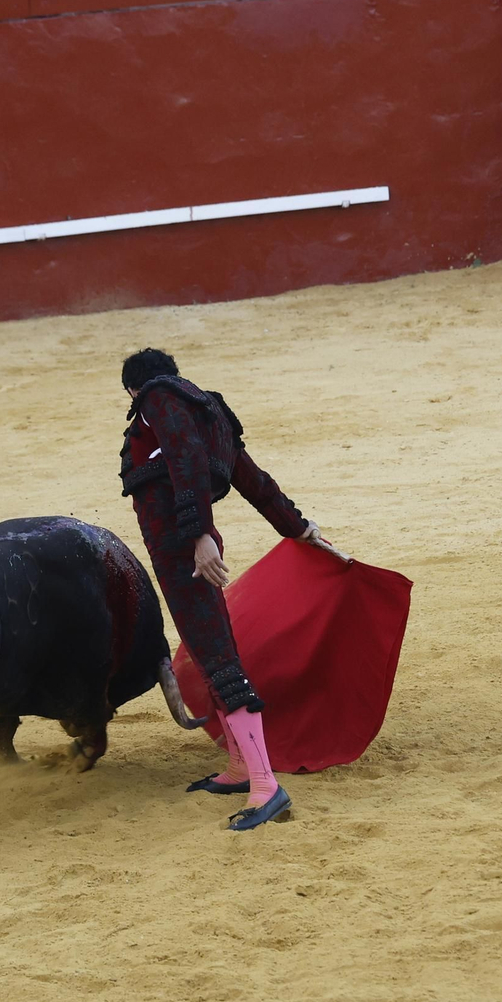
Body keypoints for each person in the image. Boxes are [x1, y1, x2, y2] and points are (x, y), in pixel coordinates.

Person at [118, 348, 326, 831]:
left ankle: (264, 784)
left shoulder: (158, 400)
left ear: (132, 389)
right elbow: (255, 482)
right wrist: (300, 529)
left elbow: (186, 460)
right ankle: (239, 767)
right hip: (189, 548)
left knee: (220, 663)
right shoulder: (210, 410)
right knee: (213, 655)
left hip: (184, 552)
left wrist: (198, 537)